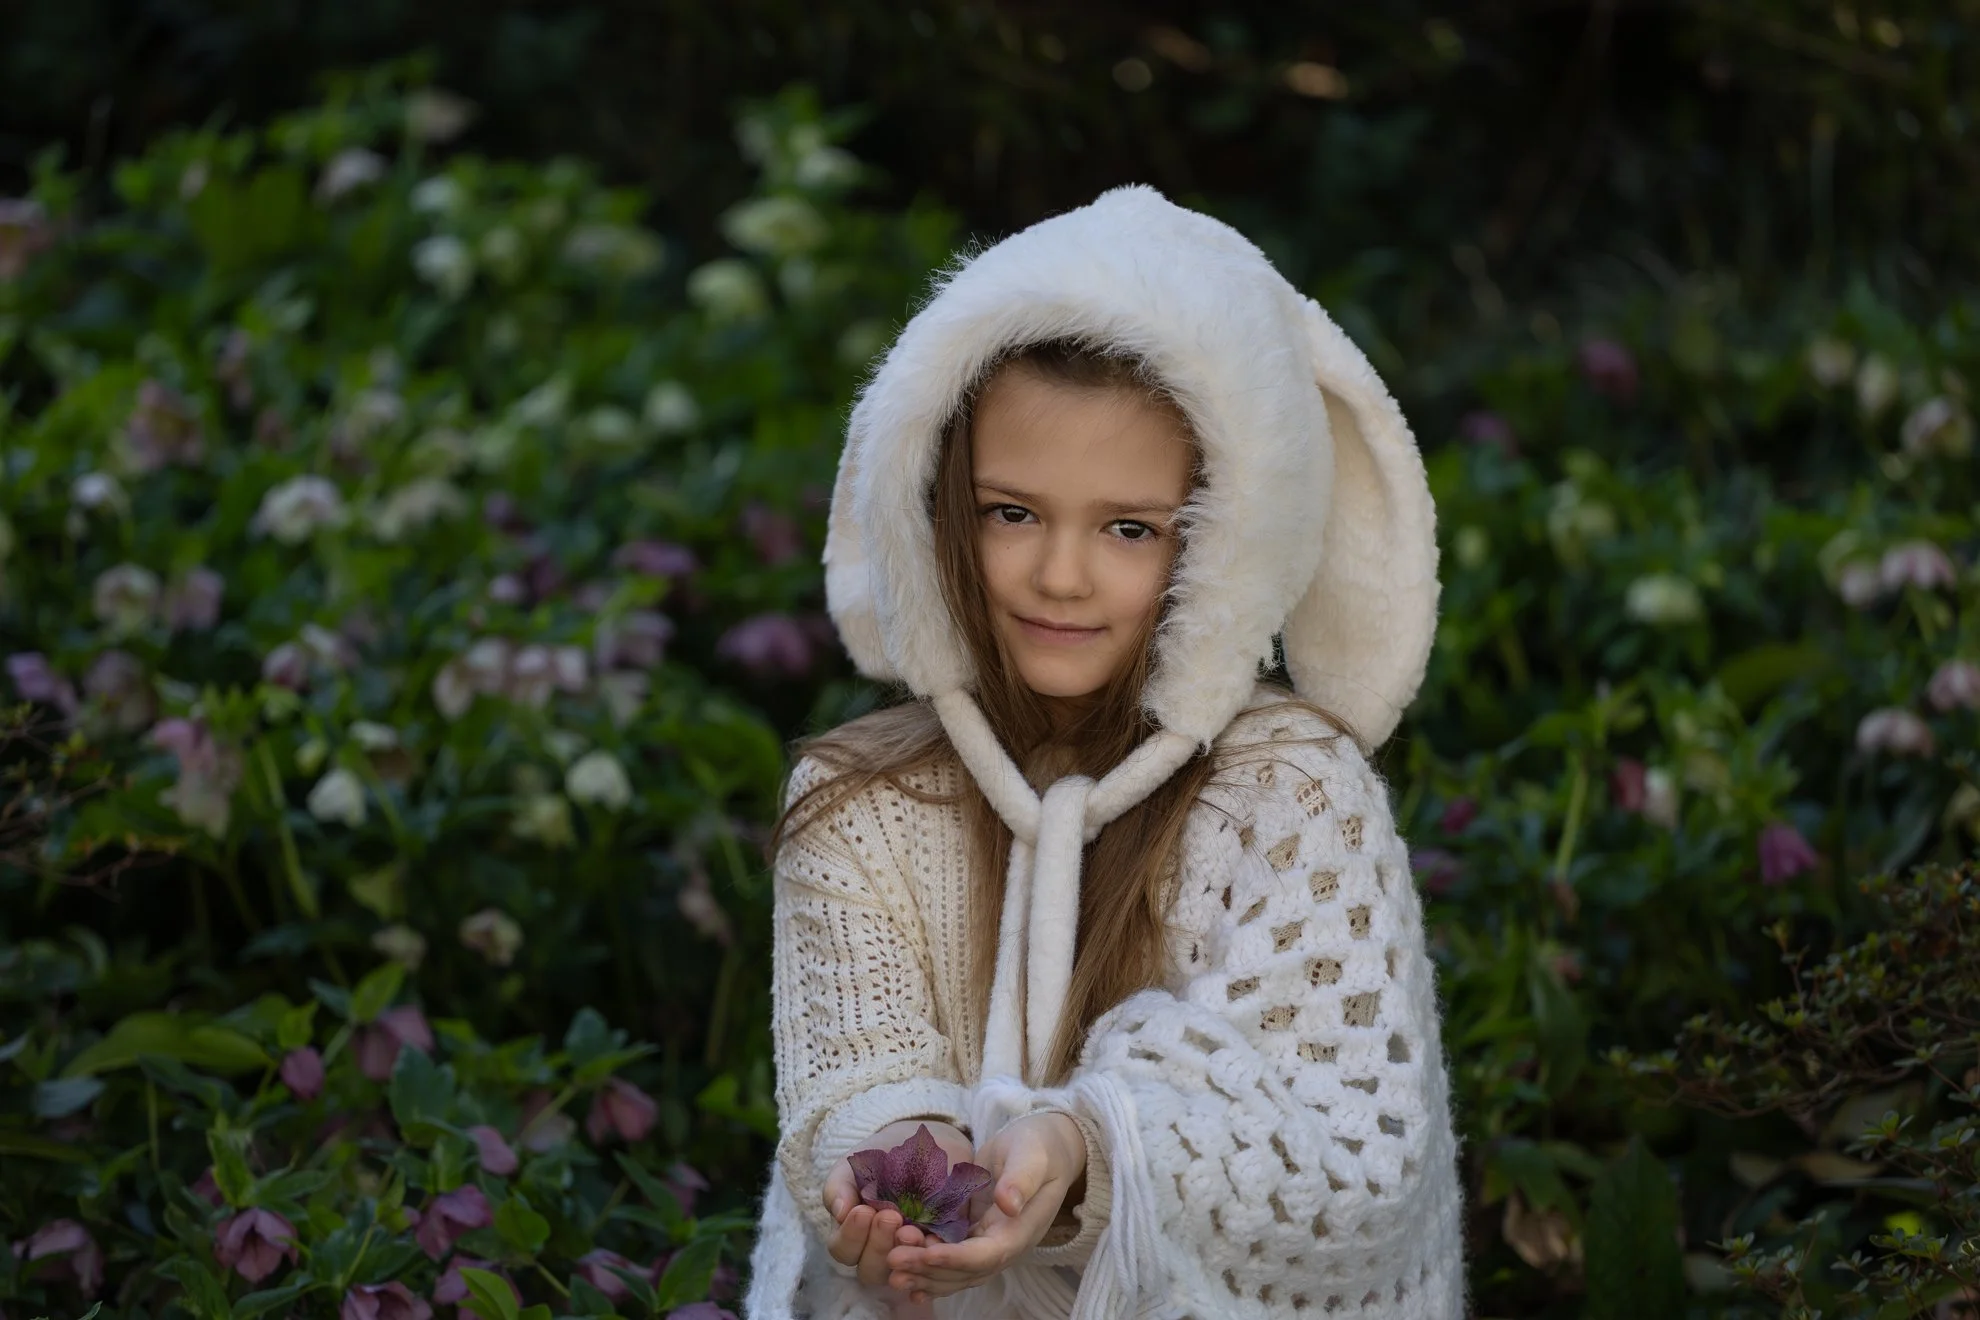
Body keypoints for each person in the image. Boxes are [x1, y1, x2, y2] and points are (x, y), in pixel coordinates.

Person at [742, 184, 1464, 1319]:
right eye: (1010, 513)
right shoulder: (859, 799)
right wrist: (911, 1174)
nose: (1061, 576)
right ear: (932, 506)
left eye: (1130, 528)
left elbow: (1356, 1160)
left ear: (1228, 541)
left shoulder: (1291, 795)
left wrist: (1087, 1146)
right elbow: (858, 1064)